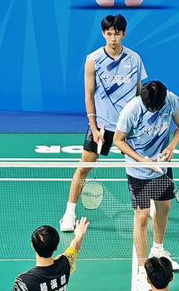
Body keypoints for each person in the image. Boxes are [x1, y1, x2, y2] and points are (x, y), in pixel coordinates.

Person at [60, 14, 146, 233]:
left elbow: (139, 93)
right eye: (109, 34)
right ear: (103, 34)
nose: (113, 38)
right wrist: (93, 126)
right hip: (103, 125)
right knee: (84, 167)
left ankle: (147, 207)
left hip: (129, 126)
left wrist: (141, 120)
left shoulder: (135, 59)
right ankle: (69, 214)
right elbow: (88, 95)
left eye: (117, 34)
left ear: (124, 33)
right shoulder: (93, 60)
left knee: (141, 168)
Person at [113, 80, 179, 291]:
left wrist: (171, 147)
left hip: (161, 166)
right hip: (138, 171)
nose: (153, 110)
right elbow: (118, 140)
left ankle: (158, 250)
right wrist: (141, 161)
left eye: (156, 107)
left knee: (164, 207)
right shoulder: (132, 110)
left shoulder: (171, 100)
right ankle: (141, 269)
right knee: (142, 216)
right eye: (150, 107)